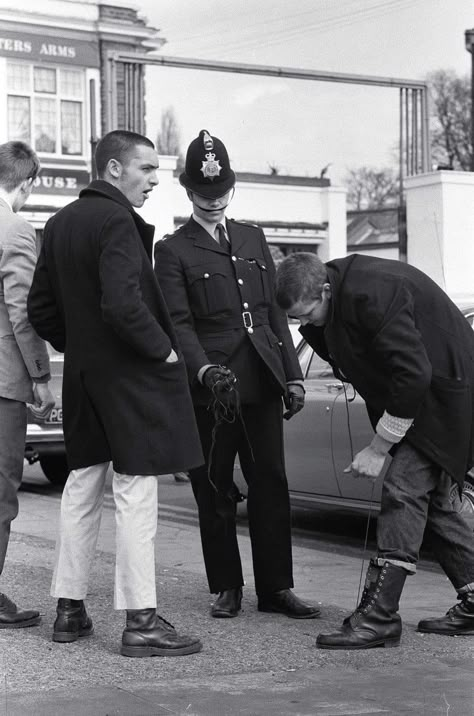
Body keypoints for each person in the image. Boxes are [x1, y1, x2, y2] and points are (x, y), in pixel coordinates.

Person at [27, 130, 204, 657]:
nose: (154, 179)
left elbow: (41, 309)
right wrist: (165, 352)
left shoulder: (58, 223)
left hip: (84, 375)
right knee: (135, 495)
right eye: (146, 169)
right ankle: (141, 620)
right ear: (112, 170)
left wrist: (78, 344)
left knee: (81, 490)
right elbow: (124, 305)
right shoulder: (117, 221)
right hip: (130, 377)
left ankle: (69, 611)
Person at [154, 129, 319, 620]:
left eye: (221, 193)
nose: (213, 202)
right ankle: (226, 585)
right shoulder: (174, 250)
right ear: (188, 191)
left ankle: (276, 589)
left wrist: (292, 375)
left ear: (233, 188)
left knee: (271, 481)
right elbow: (178, 324)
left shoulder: (252, 237)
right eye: (204, 195)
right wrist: (203, 369)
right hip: (214, 388)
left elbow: (272, 313)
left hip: (263, 377)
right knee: (215, 486)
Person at [275, 251, 474, 649]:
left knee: (402, 491)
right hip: (423, 398)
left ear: (326, 290)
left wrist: (379, 447)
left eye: (307, 313)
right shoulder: (333, 301)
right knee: (433, 502)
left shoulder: (373, 292)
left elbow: (413, 372)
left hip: (447, 397)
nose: (304, 324)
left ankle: (380, 617)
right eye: (295, 318)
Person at [0, 141, 55, 628]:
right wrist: (41, 377)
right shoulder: (15, 229)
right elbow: (21, 311)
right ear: (27, 181)